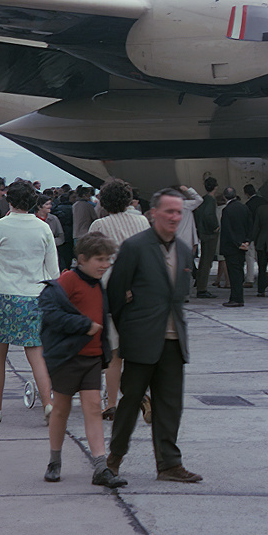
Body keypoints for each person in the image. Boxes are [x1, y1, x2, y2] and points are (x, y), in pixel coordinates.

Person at [105, 188, 202, 483]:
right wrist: (131, 330)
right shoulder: (135, 247)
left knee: (171, 404)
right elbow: (115, 294)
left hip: (174, 340)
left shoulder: (184, 250)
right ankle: (114, 458)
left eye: (178, 212)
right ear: (153, 213)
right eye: (169, 211)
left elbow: (180, 296)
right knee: (131, 400)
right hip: (141, 339)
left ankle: (169, 464)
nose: (174, 217)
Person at [38, 231, 126, 488]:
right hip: (67, 357)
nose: (105, 264)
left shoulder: (97, 283)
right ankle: (54, 460)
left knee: (93, 406)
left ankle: (101, 467)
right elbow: (48, 310)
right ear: (82, 259)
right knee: (62, 409)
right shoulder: (68, 280)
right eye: (100, 259)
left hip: (92, 358)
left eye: (108, 259)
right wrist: (82, 324)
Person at [0, 181, 57, 422]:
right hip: (34, 295)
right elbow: (54, 272)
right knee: (35, 351)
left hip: (5, 293)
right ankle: (48, 404)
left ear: (9, 200)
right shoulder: (43, 228)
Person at [86, 178, 152, 419]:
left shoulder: (99, 225)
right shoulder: (143, 221)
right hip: (140, 290)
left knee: (114, 353)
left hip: (111, 290)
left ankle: (111, 403)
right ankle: (140, 394)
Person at [219, 187, 251, 308]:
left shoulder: (227, 210)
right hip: (242, 245)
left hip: (232, 247)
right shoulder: (244, 208)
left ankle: (236, 298)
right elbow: (249, 225)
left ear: (224, 197)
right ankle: (236, 297)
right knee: (239, 270)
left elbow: (228, 230)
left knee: (234, 274)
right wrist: (246, 241)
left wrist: (237, 243)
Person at [192, 178, 221, 300]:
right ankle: (202, 288)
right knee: (206, 261)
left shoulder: (203, 200)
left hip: (202, 232)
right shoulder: (210, 200)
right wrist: (215, 226)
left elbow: (199, 214)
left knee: (204, 259)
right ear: (216, 187)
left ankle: (199, 282)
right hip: (209, 234)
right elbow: (209, 215)